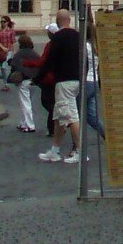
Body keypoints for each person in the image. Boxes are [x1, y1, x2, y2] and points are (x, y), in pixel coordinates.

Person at [38, 9, 84, 163]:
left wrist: (38, 78)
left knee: (71, 117)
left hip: (64, 81)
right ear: (69, 20)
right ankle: (55, 150)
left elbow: (49, 62)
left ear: (57, 21)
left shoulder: (58, 37)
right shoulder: (78, 35)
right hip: (77, 78)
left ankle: (80, 151)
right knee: (58, 117)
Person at [9, 33, 39, 132]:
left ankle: (30, 125)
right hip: (34, 81)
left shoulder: (19, 53)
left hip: (24, 80)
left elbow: (14, 65)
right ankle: (23, 123)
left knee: (25, 103)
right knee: (27, 102)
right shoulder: (34, 53)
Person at [0, 14, 17, 87]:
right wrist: (2, 48)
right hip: (1, 51)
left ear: (7, 22)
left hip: (9, 51)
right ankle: (5, 83)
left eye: (4, 21)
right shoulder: (0, 31)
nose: (2, 23)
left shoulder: (11, 31)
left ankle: (7, 83)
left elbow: (13, 41)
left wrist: (14, 51)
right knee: (2, 68)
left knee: (4, 66)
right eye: (1, 22)